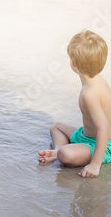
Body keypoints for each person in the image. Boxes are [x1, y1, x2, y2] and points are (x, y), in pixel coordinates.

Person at [39, 30, 111, 177]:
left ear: (73, 62)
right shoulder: (99, 81)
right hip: (85, 135)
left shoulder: (90, 93)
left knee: (65, 155)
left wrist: (95, 165)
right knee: (56, 127)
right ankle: (58, 149)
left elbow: (103, 128)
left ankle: (61, 152)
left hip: (102, 144)